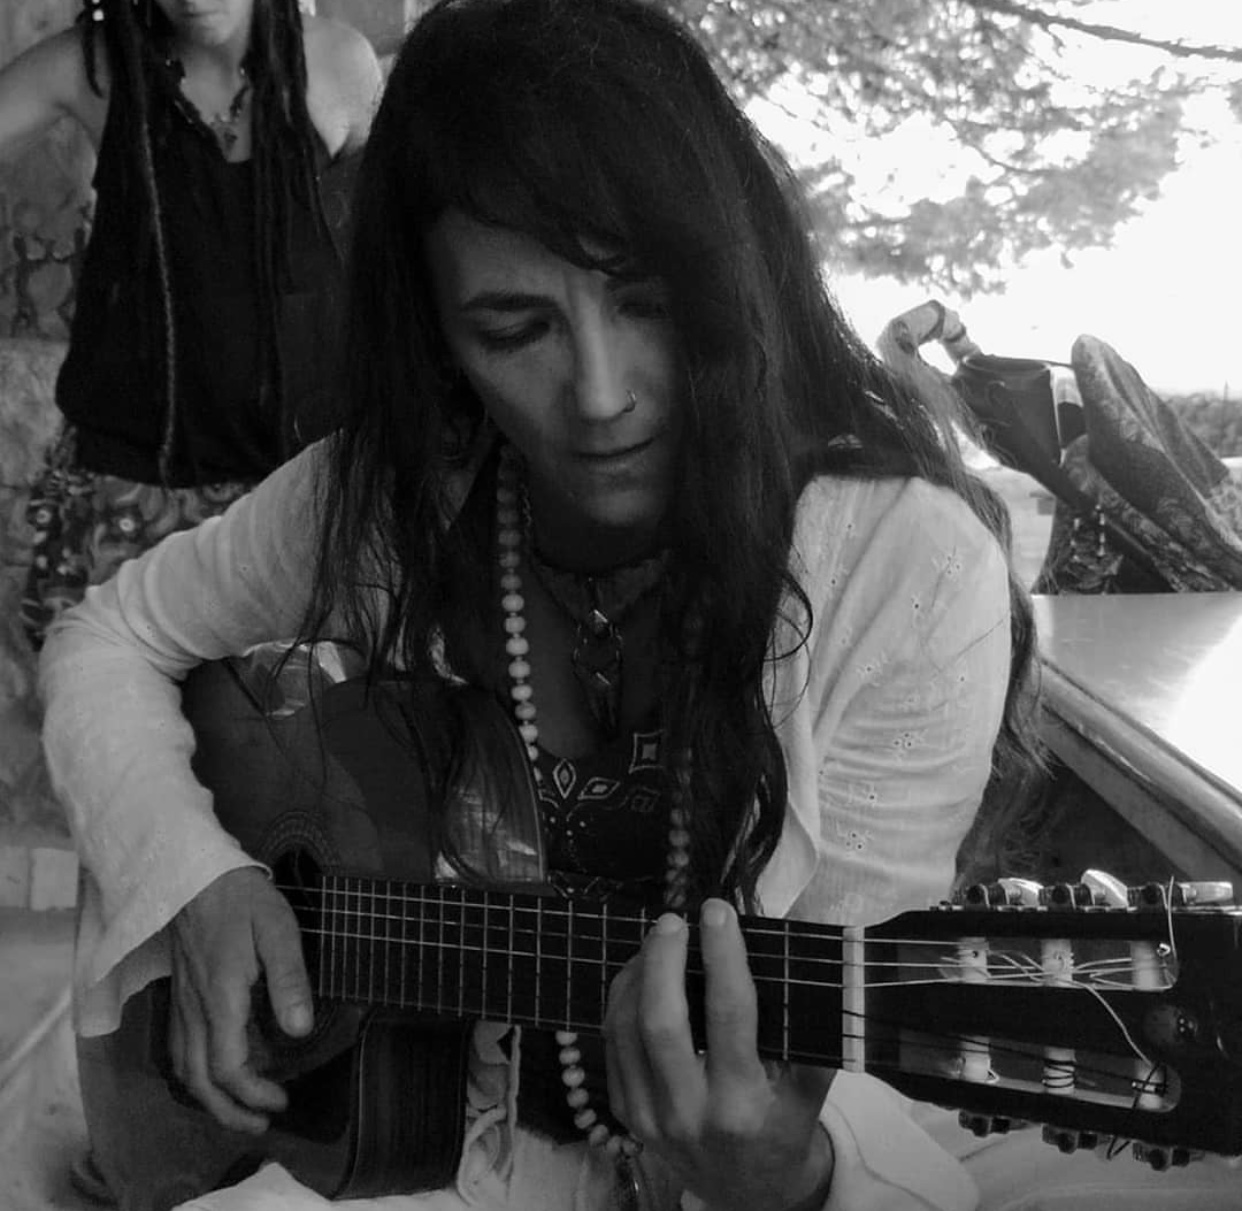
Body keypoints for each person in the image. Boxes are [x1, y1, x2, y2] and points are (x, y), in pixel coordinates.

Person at [37, 0, 1069, 1208]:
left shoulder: (908, 573)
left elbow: (833, 1068)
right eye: (515, 327)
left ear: (730, 277)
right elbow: (106, 635)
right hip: (438, 1143)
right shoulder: (387, 493)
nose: (600, 393)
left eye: (648, 301)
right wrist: (193, 874)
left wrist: (787, 1176)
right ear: (438, 340)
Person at [0, 0, 382, 646]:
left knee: (297, 700)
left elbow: (387, 255)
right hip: (131, 486)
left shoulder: (339, 64)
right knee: (102, 687)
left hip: (300, 490)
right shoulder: (95, 67)